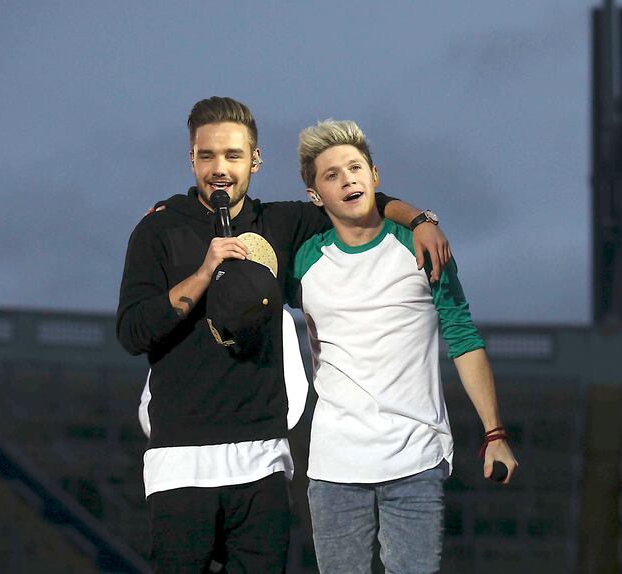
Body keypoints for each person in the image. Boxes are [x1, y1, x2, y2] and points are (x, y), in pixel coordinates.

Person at [116, 96, 454, 573]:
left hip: (263, 463)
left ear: (255, 159)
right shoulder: (158, 231)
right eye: (207, 155)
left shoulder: (281, 223)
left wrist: (419, 219)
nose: (220, 169)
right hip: (179, 460)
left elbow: (356, 201)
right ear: (191, 157)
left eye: (234, 155)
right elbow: (132, 332)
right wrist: (203, 273)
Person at [288, 119, 519, 574]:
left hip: (416, 459)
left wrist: (495, 435)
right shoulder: (303, 260)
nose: (347, 179)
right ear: (316, 196)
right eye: (331, 175)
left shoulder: (422, 247)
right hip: (335, 465)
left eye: (354, 167)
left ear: (375, 175)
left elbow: (463, 338)